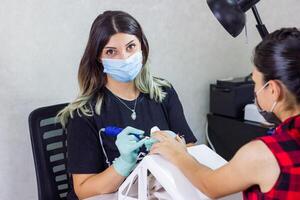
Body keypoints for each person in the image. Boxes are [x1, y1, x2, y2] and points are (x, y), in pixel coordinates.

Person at [57, 10, 197, 200]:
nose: (124, 58)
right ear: (98, 57)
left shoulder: (164, 93)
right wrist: (123, 164)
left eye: (131, 47)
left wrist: (175, 148)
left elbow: (190, 151)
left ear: (142, 48)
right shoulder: (83, 113)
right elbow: (83, 189)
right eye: (111, 51)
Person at [150, 28, 300, 199]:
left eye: (255, 83)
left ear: (273, 90)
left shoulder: (264, 154)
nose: (255, 91)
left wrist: (177, 153)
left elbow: (209, 185)